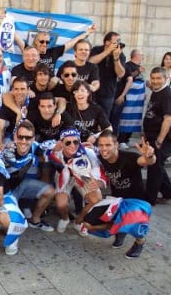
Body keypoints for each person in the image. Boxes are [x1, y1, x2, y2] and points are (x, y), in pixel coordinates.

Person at [91, 130, 155, 258]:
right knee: (91, 221)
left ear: (116, 145)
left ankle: (139, 242)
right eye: (101, 145)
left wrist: (149, 156)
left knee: (133, 222)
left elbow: (146, 161)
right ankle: (121, 230)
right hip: (117, 200)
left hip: (137, 202)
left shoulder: (129, 157)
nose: (104, 149)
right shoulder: (100, 159)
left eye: (108, 145)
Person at [48, 128, 106, 236]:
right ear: (61, 143)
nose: (72, 145)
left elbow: (96, 166)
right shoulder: (55, 151)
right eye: (68, 142)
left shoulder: (87, 151)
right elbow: (40, 148)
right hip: (64, 176)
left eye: (76, 142)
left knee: (97, 199)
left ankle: (79, 221)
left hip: (82, 175)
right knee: (61, 204)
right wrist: (52, 151)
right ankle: (65, 219)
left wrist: (97, 181)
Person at [3, 120, 55, 231]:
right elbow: (17, 164)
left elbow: (53, 152)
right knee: (8, 225)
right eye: (20, 137)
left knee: (50, 190)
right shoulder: (7, 148)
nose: (23, 141)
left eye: (28, 138)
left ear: (33, 138)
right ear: (15, 137)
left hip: (21, 185)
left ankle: (35, 220)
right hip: (4, 191)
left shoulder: (36, 146)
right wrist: (34, 158)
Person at [143, 67, 171, 205]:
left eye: (159, 78)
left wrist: (160, 139)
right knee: (157, 165)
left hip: (161, 137)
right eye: (153, 78)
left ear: (166, 78)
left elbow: (168, 119)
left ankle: (149, 199)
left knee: (154, 167)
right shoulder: (156, 92)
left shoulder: (167, 94)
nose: (155, 81)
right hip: (151, 135)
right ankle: (168, 192)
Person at [19, 24, 96, 74]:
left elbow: (71, 43)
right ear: (35, 41)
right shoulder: (30, 52)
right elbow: (16, 38)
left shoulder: (53, 52)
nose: (44, 44)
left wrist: (87, 33)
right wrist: (7, 21)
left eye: (47, 42)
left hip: (50, 84)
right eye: (42, 41)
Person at [111, 49, 145, 147]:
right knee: (122, 118)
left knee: (134, 120)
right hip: (128, 98)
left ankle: (126, 139)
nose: (143, 57)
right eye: (141, 55)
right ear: (136, 55)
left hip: (138, 101)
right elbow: (127, 78)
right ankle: (120, 140)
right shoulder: (128, 65)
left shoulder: (139, 67)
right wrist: (138, 71)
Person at [89, 31, 126, 116]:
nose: (118, 44)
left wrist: (116, 58)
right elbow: (90, 62)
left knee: (104, 118)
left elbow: (121, 74)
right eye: (116, 41)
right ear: (107, 42)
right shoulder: (97, 50)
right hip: (92, 91)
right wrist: (107, 52)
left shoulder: (120, 55)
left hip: (108, 93)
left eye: (119, 41)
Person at [67, 80, 112, 145]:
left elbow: (109, 129)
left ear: (88, 93)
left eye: (82, 90)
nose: (79, 93)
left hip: (91, 143)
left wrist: (95, 136)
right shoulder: (69, 108)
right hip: (73, 144)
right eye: (76, 91)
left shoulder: (96, 109)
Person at [0, 77, 29, 150]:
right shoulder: (9, 104)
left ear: (28, 90)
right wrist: (0, 145)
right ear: (12, 90)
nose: (19, 92)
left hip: (29, 136)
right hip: (11, 136)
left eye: (22, 89)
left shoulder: (32, 101)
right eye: (16, 89)